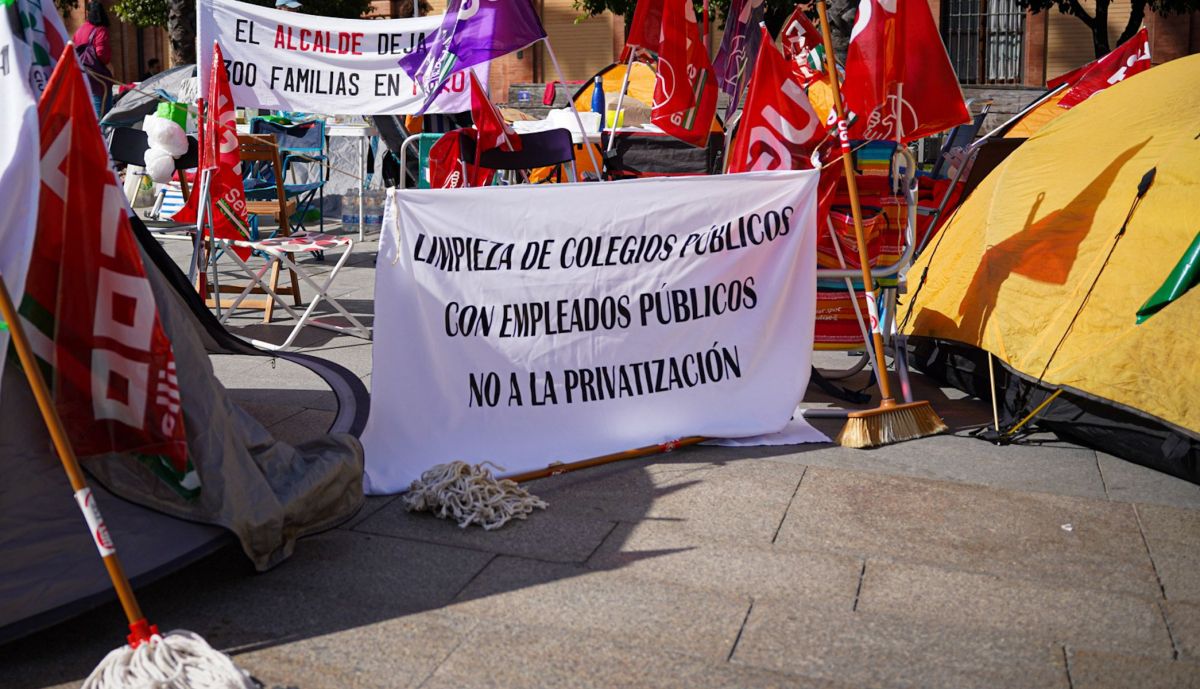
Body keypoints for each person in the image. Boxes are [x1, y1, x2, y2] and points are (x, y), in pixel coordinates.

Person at [73, 1, 112, 117]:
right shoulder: (101, 30)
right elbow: (102, 54)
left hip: (81, 76)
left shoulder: (80, 30)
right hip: (97, 80)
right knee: (102, 117)